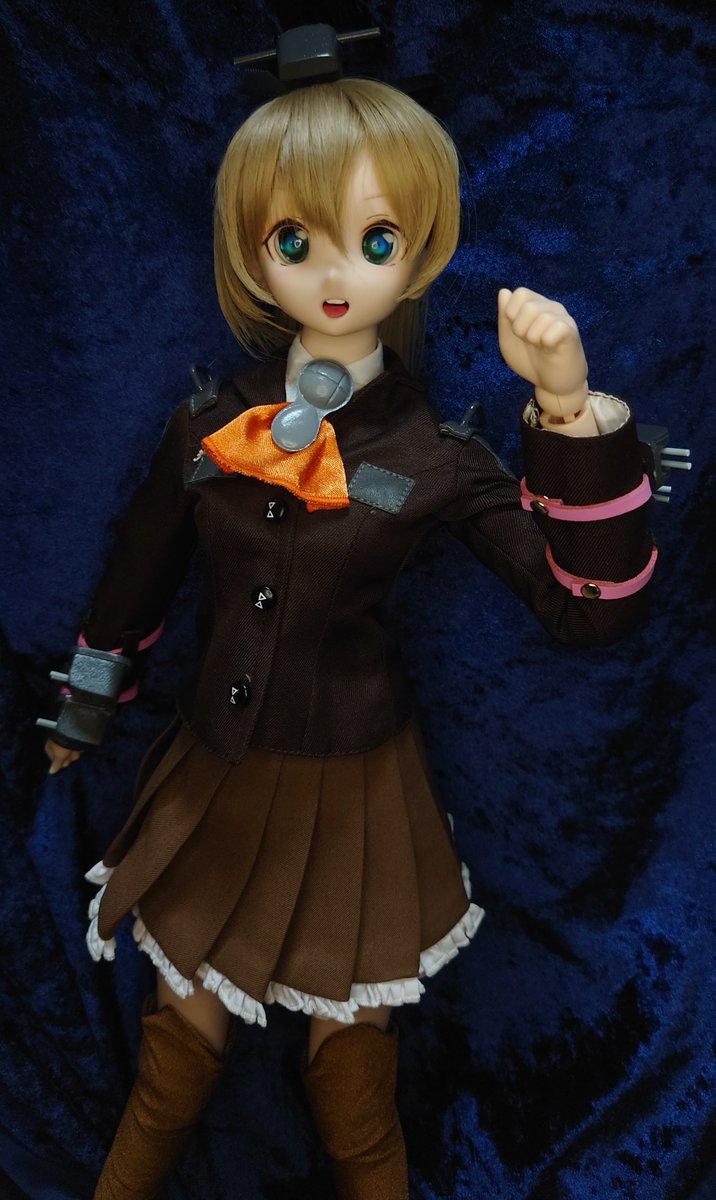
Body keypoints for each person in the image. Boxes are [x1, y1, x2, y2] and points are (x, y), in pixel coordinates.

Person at [43, 77, 655, 1200]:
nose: (333, 274)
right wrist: (85, 706)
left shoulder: (433, 455)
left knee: (352, 1073)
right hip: (216, 776)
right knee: (176, 1050)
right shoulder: (210, 421)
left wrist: (568, 412)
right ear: (252, 249)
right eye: (295, 239)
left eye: (373, 240)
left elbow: (589, 606)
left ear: (417, 254)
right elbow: (137, 577)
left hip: (357, 789)